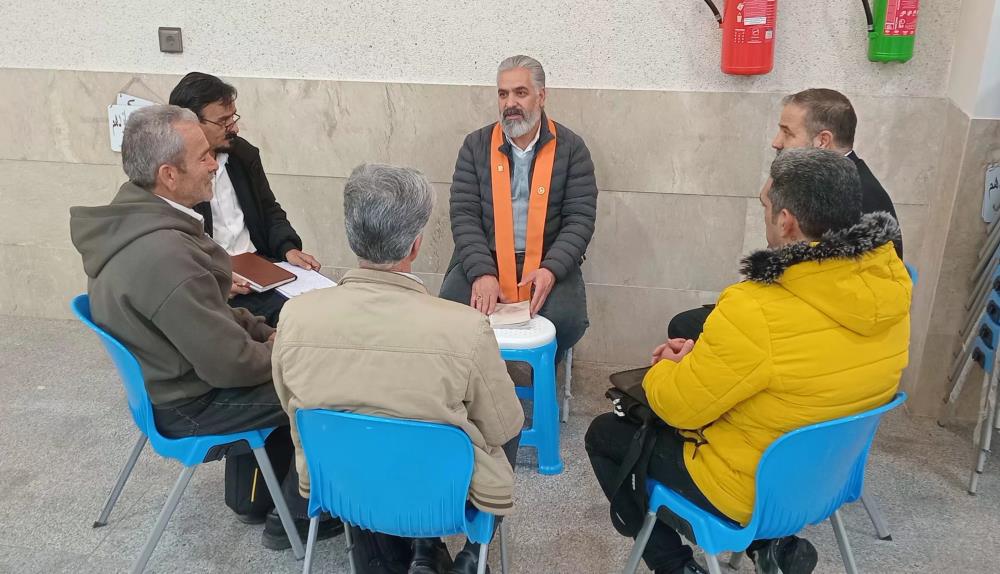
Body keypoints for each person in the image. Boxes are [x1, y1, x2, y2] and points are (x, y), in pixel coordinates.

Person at [586, 148, 911, 574]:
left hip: (748, 492)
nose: (765, 216)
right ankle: (772, 548)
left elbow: (679, 407)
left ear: (786, 221)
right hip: (828, 478)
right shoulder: (891, 291)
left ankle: (674, 565)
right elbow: (799, 377)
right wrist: (706, 356)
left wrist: (666, 368)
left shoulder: (755, 307)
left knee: (606, 434)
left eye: (765, 206)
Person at [69, 105, 342, 551]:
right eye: (203, 156)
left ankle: (265, 496)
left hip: (169, 384)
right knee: (332, 379)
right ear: (168, 175)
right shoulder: (166, 256)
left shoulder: (136, 219)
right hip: (191, 403)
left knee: (301, 353)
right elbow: (231, 365)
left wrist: (267, 334)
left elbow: (215, 314)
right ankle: (295, 514)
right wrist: (288, 352)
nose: (215, 164)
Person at [272, 163, 524, 574]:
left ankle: (424, 547)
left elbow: (290, 406)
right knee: (504, 421)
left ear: (351, 234)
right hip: (439, 497)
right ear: (415, 245)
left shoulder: (295, 317)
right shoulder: (465, 329)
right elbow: (504, 426)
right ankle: (470, 555)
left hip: (340, 487)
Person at [668, 88, 903, 341]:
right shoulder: (825, 180)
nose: (776, 142)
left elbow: (835, 286)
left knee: (686, 327)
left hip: (823, 325)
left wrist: (750, 304)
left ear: (822, 140)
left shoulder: (856, 195)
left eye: (787, 133)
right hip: (805, 304)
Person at [439, 55, 597, 363]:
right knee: (452, 313)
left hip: (548, 260)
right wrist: (482, 272)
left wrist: (551, 270)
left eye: (520, 93)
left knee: (566, 320)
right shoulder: (475, 146)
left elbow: (579, 219)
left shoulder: (571, 149)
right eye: (503, 94)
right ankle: (475, 379)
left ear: (541, 95)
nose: (510, 103)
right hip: (486, 255)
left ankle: (541, 378)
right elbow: (464, 214)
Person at [169, 72, 321, 326]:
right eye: (223, 121)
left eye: (233, 118)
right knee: (297, 324)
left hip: (260, 268)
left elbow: (269, 210)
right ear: (190, 125)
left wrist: (288, 248)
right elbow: (173, 250)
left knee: (323, 308)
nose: (235, 128)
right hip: (215, 285)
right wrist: (216, 277)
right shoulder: (176, 177)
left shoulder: (243, 155)